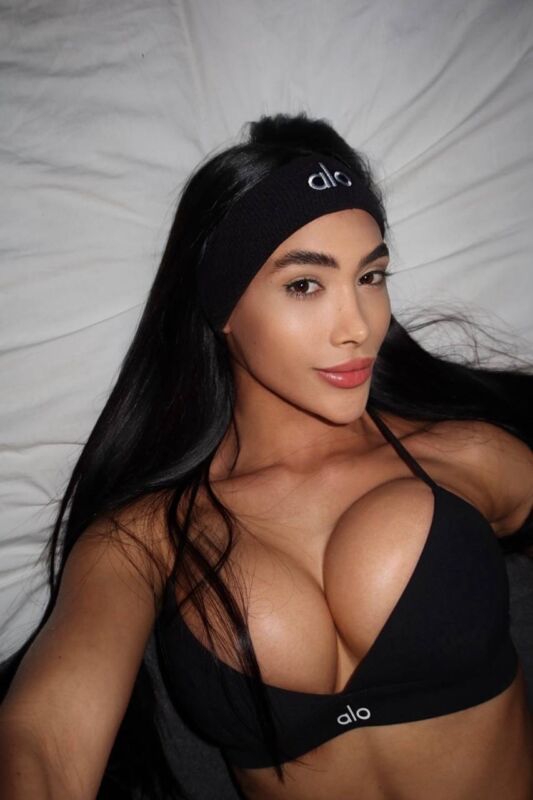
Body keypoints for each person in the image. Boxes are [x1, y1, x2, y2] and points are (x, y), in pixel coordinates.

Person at [0, 111, 532, 800]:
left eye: (370, 277)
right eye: (304, 284)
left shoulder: (466, 455)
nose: (357, 326)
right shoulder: (142, 540)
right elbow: (44, 740)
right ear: (223, 307)